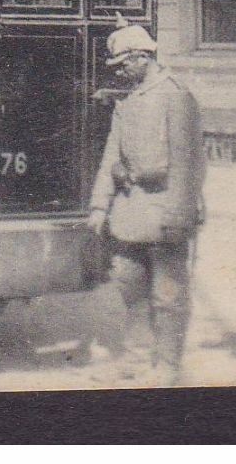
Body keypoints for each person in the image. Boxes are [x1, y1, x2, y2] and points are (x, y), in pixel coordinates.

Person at [87, 22, 205, 387]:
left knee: (167, 295)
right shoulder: (129, 101)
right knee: (129, 286)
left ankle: (167, 365)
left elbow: (188, 165)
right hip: (129, 212)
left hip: (163, 213)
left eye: (123, 62)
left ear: (142, 57)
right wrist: (98, 207)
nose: (119, 70)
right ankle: (139, 357)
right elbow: (111, 156)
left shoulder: (176, 96)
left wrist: (178, 216)